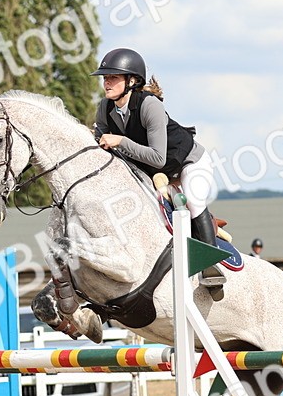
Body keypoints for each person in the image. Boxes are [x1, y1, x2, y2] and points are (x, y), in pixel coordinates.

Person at [91, 48, 221, 251]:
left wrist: (121, 141)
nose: (106, 82)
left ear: (132, 81)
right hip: (154, 175)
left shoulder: (150, 106)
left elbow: (158, 158)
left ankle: (212, 265)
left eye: (113, 77)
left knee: (194, 201)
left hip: (188, 163)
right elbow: (101, 143)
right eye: (105, 78)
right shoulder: (105, 108)